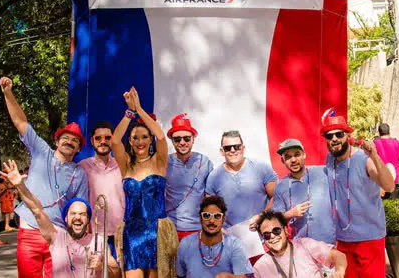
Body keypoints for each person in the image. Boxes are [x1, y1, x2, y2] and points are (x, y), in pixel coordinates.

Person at [0, 76, 89, 277]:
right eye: (65, 138)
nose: (69, 142)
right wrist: (8, 94)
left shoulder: (79, 173)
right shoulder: (41, 151)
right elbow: (20, 122)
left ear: (78, 148)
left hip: (58, 235)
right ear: (56, 142)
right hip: (30, 229)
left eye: (74, 141)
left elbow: (80, 208)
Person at [0, 160, 120, 277]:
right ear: (66, 219)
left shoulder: (98, 241)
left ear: (88, 219)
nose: (77, 217)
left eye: (82, 214)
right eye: (73, 214)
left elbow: (117, 274)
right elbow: (37, 210)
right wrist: (20, 186)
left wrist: (102, 267)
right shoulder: (56, 236)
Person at [111, 87, 178, 278]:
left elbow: (161, 136)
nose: (140, 141)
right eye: (135, 138)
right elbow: (115, 141)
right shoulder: (126, 165)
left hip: (158, 231)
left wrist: (139, 109)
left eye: (144, 137)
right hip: (132, 233)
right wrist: (129, 113)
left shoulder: (159, 161)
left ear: (149, 140)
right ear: (130, 142)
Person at [322, 114, 394, 278]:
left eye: (339, 134)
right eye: (329, 135)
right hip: (343, 237)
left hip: (369, 237)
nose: (334, 139)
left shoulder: (364, 159)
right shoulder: (329, 160)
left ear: (348, 135)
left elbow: (389, 186)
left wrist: (375, 157)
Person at [205, 130, 278, 264]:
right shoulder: (214, 177)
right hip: (231, 244)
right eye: (228, 148)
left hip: (264, 240)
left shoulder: (261, 168)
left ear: (243, 148)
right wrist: (220, 231)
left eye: (237, 146)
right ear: (222, 151)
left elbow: (277, 197)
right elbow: (209, 211)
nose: (233, 150)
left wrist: (261, 217)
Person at [272, 138, 335, 244]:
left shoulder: (323, 172)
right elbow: (276, 221)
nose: (293, 160)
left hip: (329, 244)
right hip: (301, 248)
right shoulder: (280, 187)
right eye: (288, 157)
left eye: (297, 154)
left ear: (304, 155)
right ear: (283, 161)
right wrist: (290, 213)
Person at [79, 120, 125, 262]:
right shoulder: (82, 167)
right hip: (95, 234)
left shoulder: (123, 165)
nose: (103, 141)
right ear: (92, 141)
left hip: (121, 234)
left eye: (107, 138)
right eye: (98, 138)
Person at [176, 196, 253, 277]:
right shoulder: (186, 243)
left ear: (223, 219)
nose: (212, 221)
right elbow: (180, 275)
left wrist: (229, 276)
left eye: (217, 216)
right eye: (206, 215)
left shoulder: (234, 244)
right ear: (200, 218)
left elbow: (242, 276)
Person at [253, 210, 347, 278]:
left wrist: (339, 271)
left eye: (276, 230)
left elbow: (339, 256)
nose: (272, 236)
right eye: (267, 235)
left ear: (285, 230)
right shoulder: (260, 266)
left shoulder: (304, 245)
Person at [165, 113, 214, 242]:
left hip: (199, 229)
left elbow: (210, 196)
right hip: (171, 229)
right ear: (172, 141)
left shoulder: (205, 162)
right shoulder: (164, 162)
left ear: (193, 139)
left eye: (186, 138)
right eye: (177, 139)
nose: (182, 142)